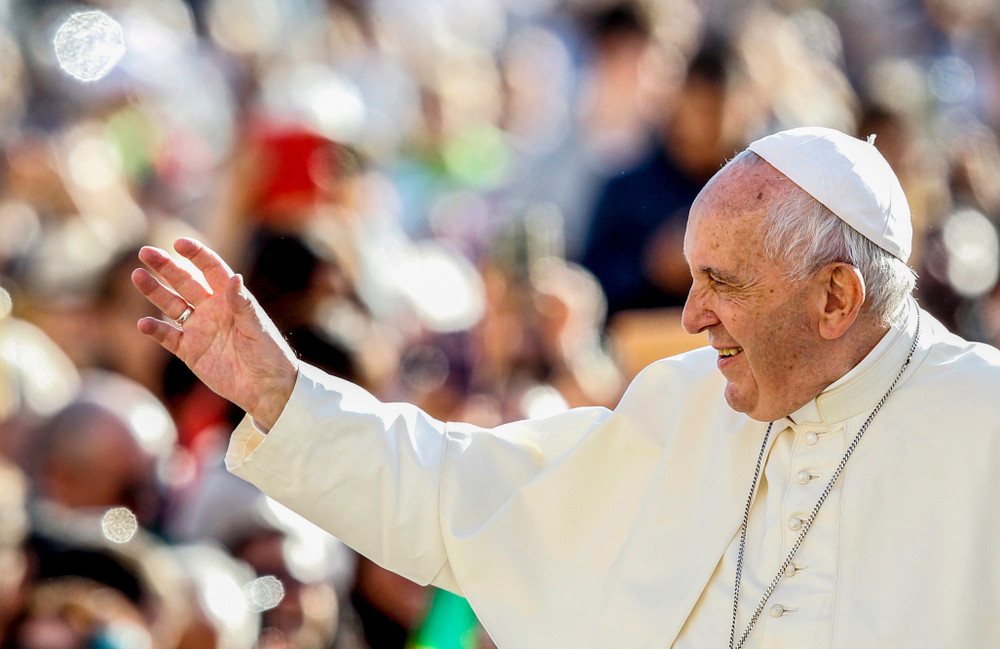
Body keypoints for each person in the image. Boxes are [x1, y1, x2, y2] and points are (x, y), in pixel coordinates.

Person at [131, 126, 1000, 648]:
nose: (691, 315)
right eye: (691, 277)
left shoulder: (983, 423)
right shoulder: (686, 402)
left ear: (836, 298)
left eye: (723, 283)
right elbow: (461, 492)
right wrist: (283, 391)